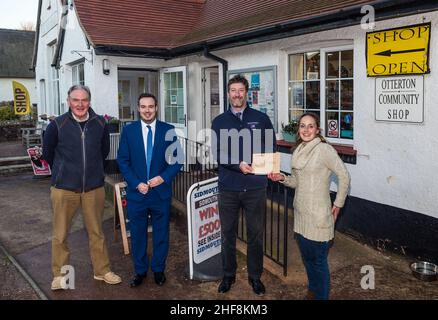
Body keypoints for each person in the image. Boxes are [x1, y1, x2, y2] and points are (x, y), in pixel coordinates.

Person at [42, 85, 122, 290]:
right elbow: (48, 153)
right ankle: (60, 276)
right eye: (75, 100)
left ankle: (102, 271)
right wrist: (63, 173)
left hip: (93, 189)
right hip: (64, 189)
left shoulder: (100, 123)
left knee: (97, 232)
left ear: (89, 101)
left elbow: (103, 152)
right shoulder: (57, 125)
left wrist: (94, 174)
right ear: (68, 101)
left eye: (84, 100)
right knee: (60, 234)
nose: (80, 104)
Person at [268, 112, 350, 300]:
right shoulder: (298, 150)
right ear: (298, 129)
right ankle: (313, 293)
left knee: (319, 263)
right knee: (308, 261)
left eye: (310, 126)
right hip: (301, 215)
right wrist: (282, 178)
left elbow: (344, 175)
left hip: (319, 217)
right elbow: (297, 181)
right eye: (302, 126)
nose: (306, 130)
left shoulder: (324, 150)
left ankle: (321, 296)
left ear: (317, 129)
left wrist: (338, 203)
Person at [211, 74, 276, 296]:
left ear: (246, 93)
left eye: (241, 90)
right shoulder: (219, 121)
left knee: (255, 235)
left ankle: (255, 277)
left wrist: (267, 167)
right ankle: (228, 275)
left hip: (255, 188)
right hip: (228, 188)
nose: (237, 94)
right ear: (228, 94)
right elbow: (217, 153)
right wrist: (236, 164)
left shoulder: (261, 118)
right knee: (227, 234)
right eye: (233, 90)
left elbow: (270, 147)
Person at [117, 93, 182, 288]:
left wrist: (163, 177)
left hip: (160, 193)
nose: (147, 110)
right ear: (138, 108)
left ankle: (159, 269)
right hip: (137, 194)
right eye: (143, 106)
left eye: (151, 106)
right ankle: (140, 271)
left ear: (156, 108)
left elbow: (177, 160)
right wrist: (136, 182)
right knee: (138, 234)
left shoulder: (168, 130)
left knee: (161, 233)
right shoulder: (129, 131)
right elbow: (123, 160)